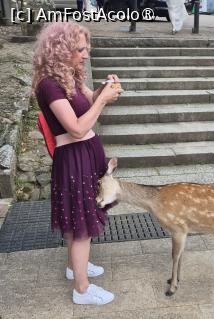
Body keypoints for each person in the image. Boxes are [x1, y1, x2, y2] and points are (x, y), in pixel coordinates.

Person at [32, 21, 123, 305]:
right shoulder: (48, 85)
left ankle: (76, 268)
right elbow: (76, 128)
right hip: (73, 158)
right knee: (80, 222)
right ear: (62, 48)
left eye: (87, 49)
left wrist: (103, 92)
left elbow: (89, 102)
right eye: (81, 49)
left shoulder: (69, 76)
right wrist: (103, 102)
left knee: (78, 218)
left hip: (87, 154)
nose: (86, 54)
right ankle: (82, 289)